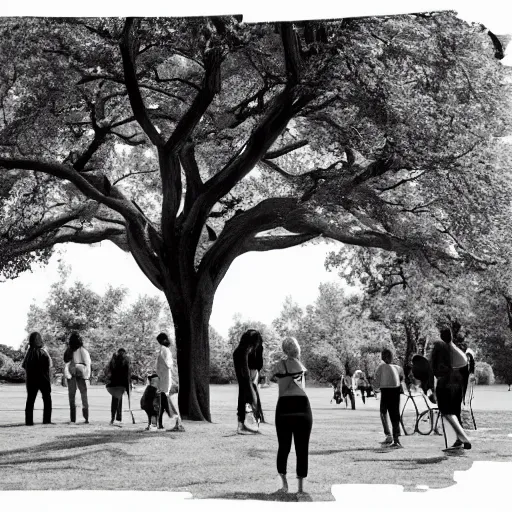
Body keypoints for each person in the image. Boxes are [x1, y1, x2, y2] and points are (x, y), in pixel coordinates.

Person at [271, 337, 312, 494]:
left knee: (284, 447)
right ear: (297, 349)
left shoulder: (279, 365)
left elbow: (271, 378)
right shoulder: (300, 365)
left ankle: (284, 485)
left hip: (284, 407)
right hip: (303, 407)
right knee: (302, 448)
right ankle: (300, 488)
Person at [431, 328, 471, 450]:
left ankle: (463, 438)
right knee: (454, 411)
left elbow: (437, 367)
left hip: (448, 382)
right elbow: (464, 365)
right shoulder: (456, 350)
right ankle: (460, 439)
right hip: (458, 381)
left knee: (448, 412)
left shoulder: (444, 349)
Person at [233, 329, 264, 434]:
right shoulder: (241, 352)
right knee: (246, 397)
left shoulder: (245, 350)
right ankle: (243, 425)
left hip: (251, 374)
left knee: (248, 398)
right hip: (247, 376)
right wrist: (250, 386)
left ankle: (248, 424)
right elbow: (244, 374)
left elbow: (258, 364)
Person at [373, 348, 404, 448]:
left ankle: (389, 436)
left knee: (383, 412)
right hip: (396, 391)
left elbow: (377, 379)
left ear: (384, 357)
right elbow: (401, 378)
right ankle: (396, 438)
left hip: (386, 391)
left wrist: (375, 389)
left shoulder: (381, 367)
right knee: (395, 414)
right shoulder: (398, 368)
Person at [22, 332, 53, 426]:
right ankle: (46, 420)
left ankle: (29, 421)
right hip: (43, 379)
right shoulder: (42, 352)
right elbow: (50, 365)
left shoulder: (29, 353)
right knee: (47, 399)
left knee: (30, 400)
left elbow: (24, 366)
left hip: (31, 380)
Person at [156, 333, 184, 432]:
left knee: (167, 403)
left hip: (166, 380)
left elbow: (167, 366)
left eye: (159, 340)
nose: (159, 342)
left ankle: (178, 423)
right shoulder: (164, 350)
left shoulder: (164, 350)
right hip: (164, 380)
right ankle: (160, 424)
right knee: (164, 403)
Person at [64, 332, 91, 424]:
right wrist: (86, 376)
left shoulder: (69, 350)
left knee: (72, 397)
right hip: (79, 376)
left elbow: (66, 363)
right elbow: (87, 364)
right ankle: (85, 418)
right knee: (83, 396)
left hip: (73, 375)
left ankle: (73, 418)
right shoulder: (82, 350)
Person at [105, 348, 131, 426]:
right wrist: (128, 387)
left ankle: (113, 418)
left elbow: (108, 371)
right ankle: (118, 418)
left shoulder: (113, 360)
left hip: (113, 384)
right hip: (121, 384)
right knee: (118, 400)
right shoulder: (126, 361)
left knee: (115, 400)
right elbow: (127, 375)